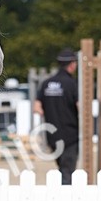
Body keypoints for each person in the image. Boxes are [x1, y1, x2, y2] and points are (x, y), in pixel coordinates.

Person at [32, 47, 79, 183]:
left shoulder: (46, 83)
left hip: (52, 136)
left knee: (62, 167)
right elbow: (80, 107)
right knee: (67, 171)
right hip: (70, 135)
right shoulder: (71, 84)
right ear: (71, 64)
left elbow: (37, 108)